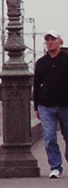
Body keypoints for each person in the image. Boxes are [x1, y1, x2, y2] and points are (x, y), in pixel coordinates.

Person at [33, 33, 68, 177]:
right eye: (47, 40)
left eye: (53, 39)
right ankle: (55, 167)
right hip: (46, 105)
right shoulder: (41, 63)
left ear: (60, 41)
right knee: (49, 137)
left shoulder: (67, 59)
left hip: (66, 105)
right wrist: (36, 106)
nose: (50, 42)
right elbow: (36, 85)